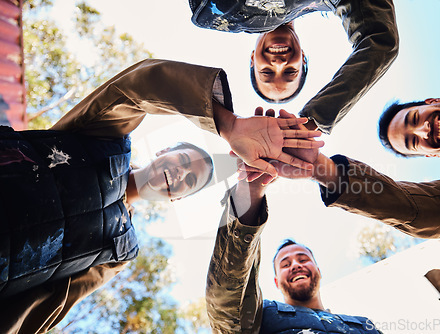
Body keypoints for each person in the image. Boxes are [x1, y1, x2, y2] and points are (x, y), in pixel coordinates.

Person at [0, 58, 323, 333]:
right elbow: (139, 86)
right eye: (181, 161)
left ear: (177, 199)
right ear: (164, 151)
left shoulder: (119, 250)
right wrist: (229, 124)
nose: (180, 174)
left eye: (190, 180)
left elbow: (46, 305)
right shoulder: (104, 138)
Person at [239, 94, 440, 239]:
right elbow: (423, 209)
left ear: (431, 101)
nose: (424, 129)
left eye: (414, 118)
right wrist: (320, 167)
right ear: (430, 156)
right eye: (413, 141)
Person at [189, 0, 399, 133]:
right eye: (290, 71)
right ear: (303, 59)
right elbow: (379, 42)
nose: (279, 64)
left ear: (252, 59)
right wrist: (313, 121)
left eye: (267, 72)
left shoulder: (216, 17)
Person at [206, 175, 382, 333]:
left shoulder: (363, 325)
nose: (296, 265)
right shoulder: (259, 317)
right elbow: (226, 304)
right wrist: (250, 191)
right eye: (285, 264)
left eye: (303, 259)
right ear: (276, 281)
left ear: (319, 271)